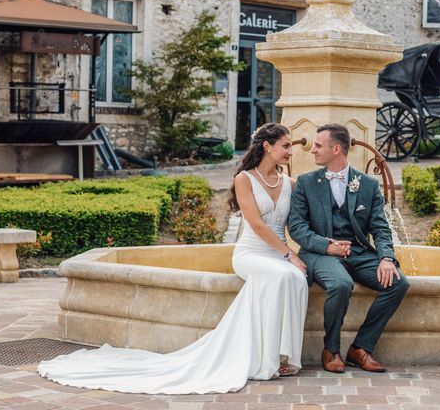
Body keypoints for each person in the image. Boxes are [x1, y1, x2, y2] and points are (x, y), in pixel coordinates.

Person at [37, 123, 308, 394]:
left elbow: (303, 215)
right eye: (285, 145)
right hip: (252, 252)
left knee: (296, 277)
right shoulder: (244, 179)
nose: (290, 151)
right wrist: (290, 255)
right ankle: (268, 357)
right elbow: (258, 226)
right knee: (284, 273)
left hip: (278, 252)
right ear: (267, 146)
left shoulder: (290, 183)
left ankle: (287, 358)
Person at [288, 123, 409, 373]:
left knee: (398, 283)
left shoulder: (367, 184)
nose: (313, 150)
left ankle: (360, 348)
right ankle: (331, 349)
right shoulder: (306, 183)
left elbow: (381, 228)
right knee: (341, 284)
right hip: (320, 253)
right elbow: (297, 228)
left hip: (359, 253)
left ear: (336, 149)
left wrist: (386, 258)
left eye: (318, 146)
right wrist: (327, 246)